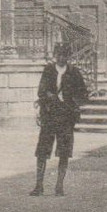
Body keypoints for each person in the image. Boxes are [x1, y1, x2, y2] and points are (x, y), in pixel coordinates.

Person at [30, 43, 89, 197]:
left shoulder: (74, 72)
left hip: (66, 117)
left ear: (68, 56)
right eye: (59, 55)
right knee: (42, 151)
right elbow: (41, 91)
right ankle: (39, 186)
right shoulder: (48, 70)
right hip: (49, 115)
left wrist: (72, 102)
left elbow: (83, 94)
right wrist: (48, 96)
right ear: (55, 55)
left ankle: (59, 186)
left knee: (64, 152)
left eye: (64, 55)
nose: (61, 58)